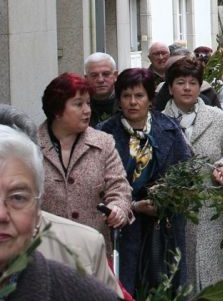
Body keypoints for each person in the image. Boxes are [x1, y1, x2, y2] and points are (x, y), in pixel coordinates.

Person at [0, 104, 123, 298]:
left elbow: (118, 185)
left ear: (38, 204)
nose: (1, 214)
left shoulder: (82, 287)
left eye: (17, 197)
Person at [97, 68, 192, 296]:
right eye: (126, 96)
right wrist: (132, 206)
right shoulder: (103, 134)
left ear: (150, 98)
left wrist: (167, 195)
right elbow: (96, 187)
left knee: (165, 288)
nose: (132, 102)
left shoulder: (169, 129)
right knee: (124, 289)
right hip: (121, 231)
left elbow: (188, 175)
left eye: (139, 96)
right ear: (118, 99)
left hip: (164, 230)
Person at [161, 57, 223, 291]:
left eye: (192, 82)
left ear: (200, 86)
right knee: (178, 284)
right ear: (170, 88)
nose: (187, 88)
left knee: (213, 285)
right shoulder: (159, 122)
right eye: (180, 82)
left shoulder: (217, 118)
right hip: (173, 217)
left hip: (212, 215)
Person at [38, 73, 132, 252]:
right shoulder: (31, 145)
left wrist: (118, 208)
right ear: (57, 110)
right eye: (78, 104)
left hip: (93, 250)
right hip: (45, 250)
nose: (87, 110)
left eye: (88, 103)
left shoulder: (103, 142)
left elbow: (120, 187)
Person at [84, 52, 119, 127]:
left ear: (115, 76)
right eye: (94, 75)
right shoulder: (79, 106)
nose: (100, 80)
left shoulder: (128, 102)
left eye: (106, 74)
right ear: (86, 79)